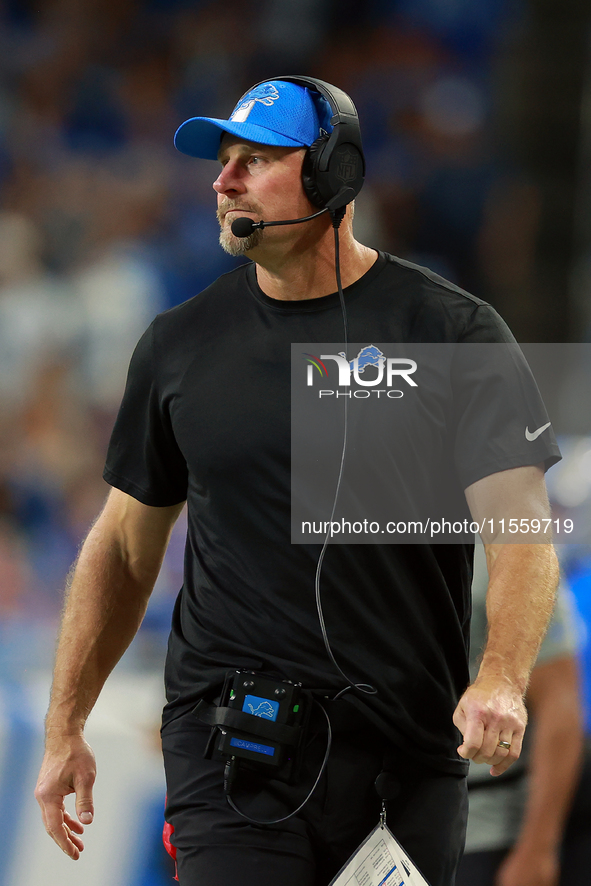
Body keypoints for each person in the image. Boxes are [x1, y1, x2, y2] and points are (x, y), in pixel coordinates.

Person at [35, 76, 561, 886]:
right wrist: (65, 723)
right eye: (222, 162)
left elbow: (520, 530)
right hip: (232, 753)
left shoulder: (449, 332)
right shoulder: (179, 345)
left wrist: (500, 678)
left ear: (331, 178)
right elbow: (125, 548)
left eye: (255, 160)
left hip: (404, 762)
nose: (222, 181)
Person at [456, 545, 587, 886]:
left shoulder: (510, 553)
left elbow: (561, 709)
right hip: (384, 826)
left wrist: (538, 848)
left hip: (489, 830)